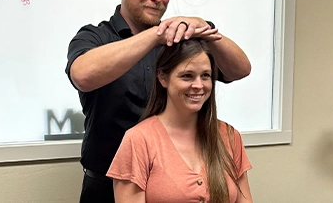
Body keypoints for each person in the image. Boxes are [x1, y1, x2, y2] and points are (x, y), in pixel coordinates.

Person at [65, 0, 251, 202]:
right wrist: (156, 34)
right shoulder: (95, 37)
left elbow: (240, 69)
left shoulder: (178, 40)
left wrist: (202, 27)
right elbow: (83, 75)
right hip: (104, 187)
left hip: (171, 184)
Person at [106, 39, 253, 203]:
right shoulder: (138, 140)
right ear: (163, 78)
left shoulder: (230, 136)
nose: (198, 85)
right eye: (187, 76)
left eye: (205, 76)